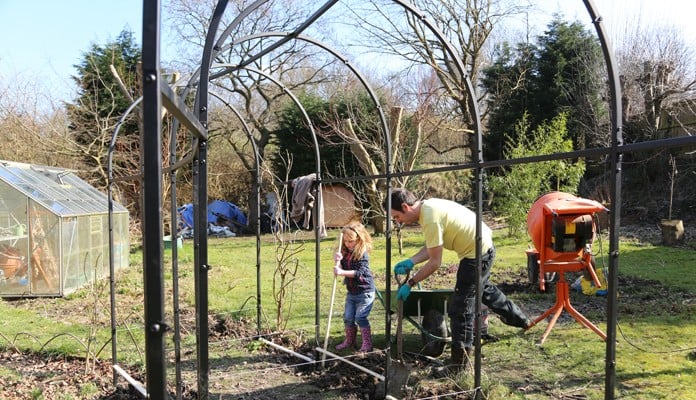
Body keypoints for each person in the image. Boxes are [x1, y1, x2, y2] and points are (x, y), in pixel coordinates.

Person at [386, 188, 531, 372]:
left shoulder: (429, 217)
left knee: (460, 308)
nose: (397, 221)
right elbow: (432, 246)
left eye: (396, 217)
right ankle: (521, 319)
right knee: (483, 289)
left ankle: (458, 366)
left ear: (405, 207)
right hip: (483, 244)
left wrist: (410, 283)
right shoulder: (428, 207)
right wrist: (411, 261)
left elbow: (435, 262)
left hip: (476, 253)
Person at [333, 222, 376, 352]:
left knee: (360, 317)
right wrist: (338, 261)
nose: (348, 244)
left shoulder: (362, 254)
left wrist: (342, 273)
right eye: (345, 241)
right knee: (348, 317)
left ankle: (367, 344)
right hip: (352, 293)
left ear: (359, 239)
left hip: (365, 292)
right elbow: (339, 268)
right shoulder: (345, 252)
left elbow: (358, 273)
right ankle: (349, 341)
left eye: (351, 241)